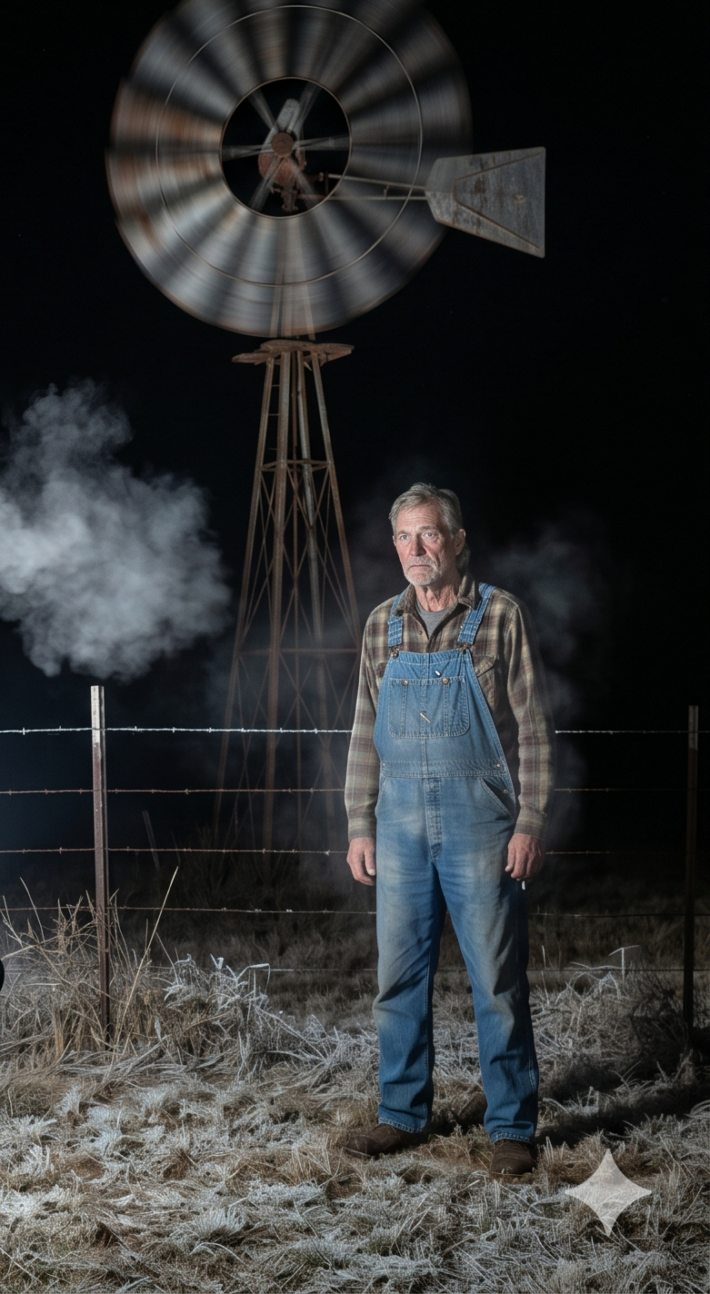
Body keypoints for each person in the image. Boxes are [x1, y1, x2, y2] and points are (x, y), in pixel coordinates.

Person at [339, 483, 553, 1178]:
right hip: (398, 822)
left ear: (457, 540)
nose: (416, 549)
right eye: (404, 536)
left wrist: (529, 821)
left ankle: (511, 1126)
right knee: (397, 978)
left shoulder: (500, 615)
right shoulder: (382, 625)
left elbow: (535, 731)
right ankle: (401, 1113)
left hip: (481, 822)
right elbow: (364, 732)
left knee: (496, 980)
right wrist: (359, 822)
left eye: (429, 533)